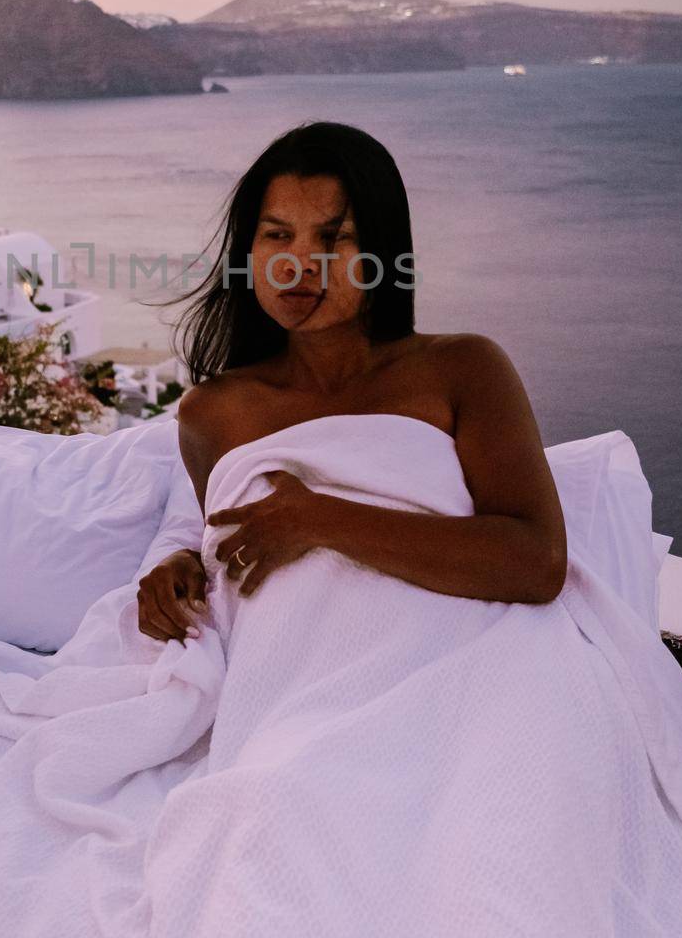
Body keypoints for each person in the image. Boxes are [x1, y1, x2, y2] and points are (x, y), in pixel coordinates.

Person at [137, 118, 567, 645]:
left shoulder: (464, 368)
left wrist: (321, 519)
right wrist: (182, 565)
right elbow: (238, 545)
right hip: (292, 681)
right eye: (277, 235)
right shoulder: (212, 413)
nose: (297, 264)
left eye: (333, 237)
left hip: (462, 658)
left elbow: (537, 562)